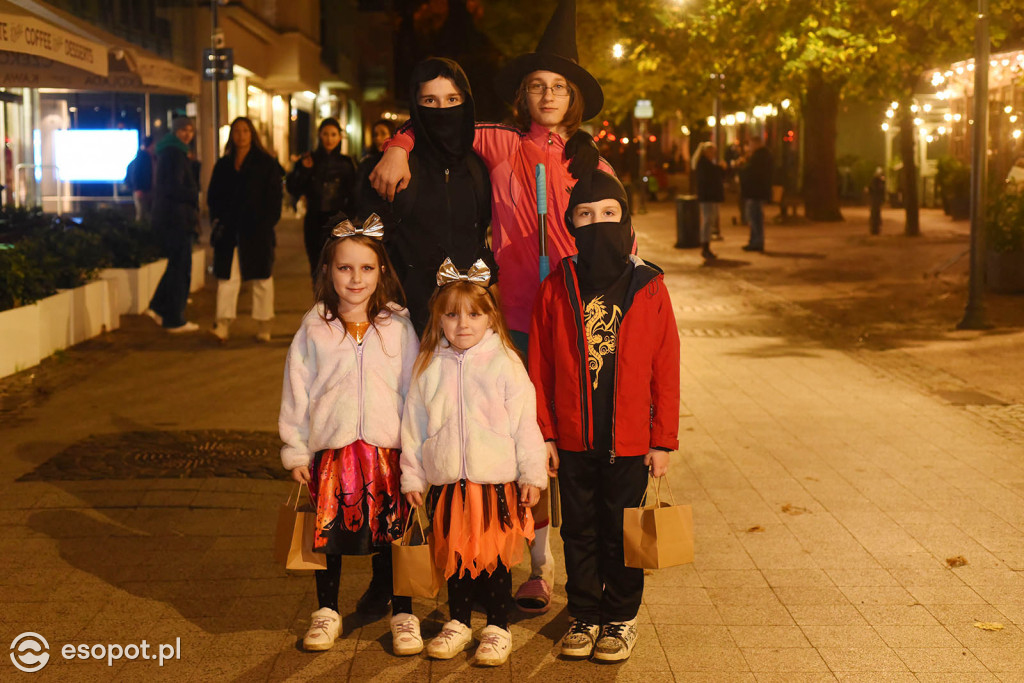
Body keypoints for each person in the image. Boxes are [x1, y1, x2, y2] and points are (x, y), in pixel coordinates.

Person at [372, 0, 611, 610]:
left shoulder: (593, 161)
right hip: (514, 319)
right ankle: (529, 561)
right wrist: (399, 144)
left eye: (559, 87)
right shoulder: (501, 142)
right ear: (524, 97)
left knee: (570, 442)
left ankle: (569, 558)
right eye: (537, 86)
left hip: (575, 320)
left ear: (573, 98)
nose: (548, 95)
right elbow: (440, 124)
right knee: (520, 434)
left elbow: (618, 238)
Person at [529, 169, 680, 662]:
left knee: (623, 532)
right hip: (573, 439)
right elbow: (541, 367)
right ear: (571, 224)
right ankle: (585, 613)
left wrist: (663, 441)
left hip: (631, 440)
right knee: (579, 531)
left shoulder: (650, 286)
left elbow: (666, 368)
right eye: (586, 216)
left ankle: (621, 616)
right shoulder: (558, 285)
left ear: (626, 219)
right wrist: (545, 433)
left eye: (609, 214)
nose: (599, 224)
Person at [279, 213, 420, 654]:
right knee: (328, 535)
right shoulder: (314, 328)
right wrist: (296, 450)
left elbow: (415, 393)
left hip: (386, 452)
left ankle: (403, 611)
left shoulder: (398, 326)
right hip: (333, 453)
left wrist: (417, 457)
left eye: (366, 268)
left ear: (381, 273)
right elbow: (296, 390)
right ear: (327, 271)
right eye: (345, 268)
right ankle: (326, 610)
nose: (355, 278)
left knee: (393, 536)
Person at [400, 259, 548, 666]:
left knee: (495, 558)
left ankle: (498, 626)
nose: (463, 324)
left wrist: (531, 472)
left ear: (491, 317)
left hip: (494, 484)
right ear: (439, 319)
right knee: (454, 556)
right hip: (448, 483)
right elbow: (413, 427)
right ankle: (459, 620)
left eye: (474, 314)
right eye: (452, 314)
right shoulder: (429, 366)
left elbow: (525, 423)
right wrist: (412, 476)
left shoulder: (505, 363)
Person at [361, 57, 493, 335]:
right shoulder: (392, 169)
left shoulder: (476, 167)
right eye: (430, 101)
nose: (442, 110)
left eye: (452, 99)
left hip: (464, 326)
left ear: (465, 102)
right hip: (402, 322)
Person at [207, 117, 284, 343]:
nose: (241, 135)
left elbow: (274, 197)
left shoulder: (265, 163)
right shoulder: (223, 164)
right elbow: (214, 196)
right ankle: (222, 324)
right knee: (227, 278)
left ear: (252, 134)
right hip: (229, 230)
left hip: (257, 229)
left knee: (262, 278)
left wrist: (267, 222)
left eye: (245, 131)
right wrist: (218, 219)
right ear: (231, 135)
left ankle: (263, 324)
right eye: (236, 131)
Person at [145, 117, 200, 333]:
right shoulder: (175, 154)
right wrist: (194, 194)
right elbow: (174, 188)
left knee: (176, 265)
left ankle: (159, 307)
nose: (187, 134)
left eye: (190, 130)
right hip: (177, 219)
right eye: (183, 130)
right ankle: (174, 318)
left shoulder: (170, 151)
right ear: (175, 132)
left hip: (170, 217)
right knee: (181, 267)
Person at [287, 118, 359, 278]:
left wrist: (349, 218)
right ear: (319, 135)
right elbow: (293, 188)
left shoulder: (346, 163)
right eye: (325, 134)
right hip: (314, 219)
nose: (329, 138)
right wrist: (305, 170)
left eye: (333, 134)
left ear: (340, 137)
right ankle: (320, 301)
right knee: (317, 267)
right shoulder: (308, 159)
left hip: (339, 220)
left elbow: (354, 194)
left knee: (339, 266)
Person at [739, 136, 773, 252]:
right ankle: (754, 240)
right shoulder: (761, 156)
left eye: (751, 144)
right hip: (756, 191)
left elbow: (750, 172)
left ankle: (756, 242)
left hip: (755, 192)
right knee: (754, 217)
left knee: (754, 217)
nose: (749, 147)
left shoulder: (759, 157)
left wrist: (742, 168)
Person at [694, 141, 724, 260]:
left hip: (709, 196)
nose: (713, 154)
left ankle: (706, 246)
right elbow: (712, 177)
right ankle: (705, 246)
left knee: (709, 220)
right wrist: (720, 168)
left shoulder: (705, 163)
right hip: (708, 197)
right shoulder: (704, 164)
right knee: (708, 220)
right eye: (712, 151)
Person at [126, 136, 156, 222]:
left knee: (145, 213)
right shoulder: (142, 158)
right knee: (142, 214)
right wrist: (138, 188)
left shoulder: (150, 157)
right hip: (143, 190)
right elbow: (136, 173)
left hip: (149, 190)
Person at [868, 167, 886, 235]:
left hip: (875, 200)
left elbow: (871, 189)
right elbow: (880, 190)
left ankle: (874, 229)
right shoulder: (878, 181)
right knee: (876, 214)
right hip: (876, 200)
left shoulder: (876, 181)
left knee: (875, 214)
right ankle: (875, 229)